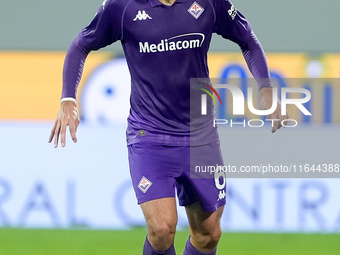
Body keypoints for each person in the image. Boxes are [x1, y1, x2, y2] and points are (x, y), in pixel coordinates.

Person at [49, 0, 287, 254]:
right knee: (162, 230)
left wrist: (266, 88)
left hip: (200, 136)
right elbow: (81, 44)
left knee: (208, 235)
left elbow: (247, 38)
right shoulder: (122, 7)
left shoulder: (209, 3)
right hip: (149, 135)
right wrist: (68, 97)